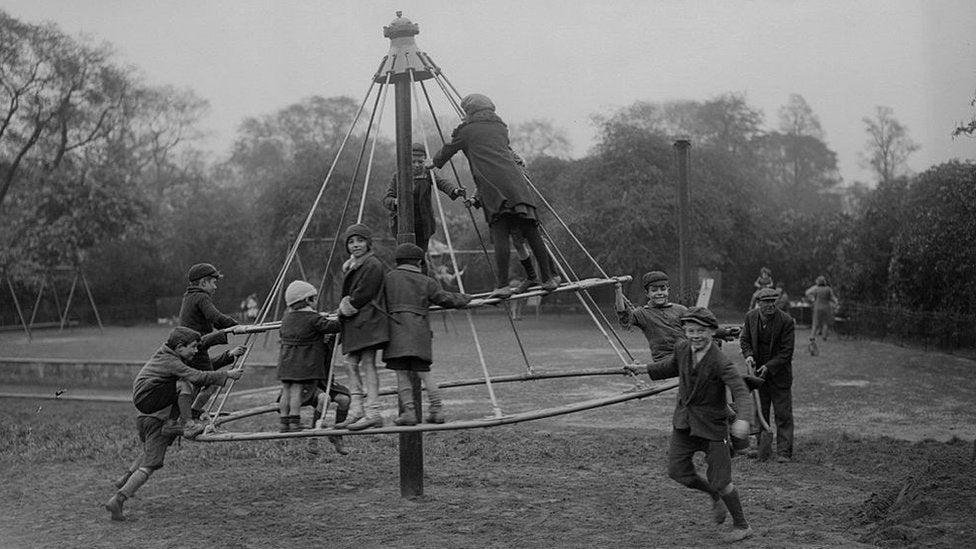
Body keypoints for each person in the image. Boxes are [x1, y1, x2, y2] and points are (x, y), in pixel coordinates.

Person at [628, 307, 755, 543]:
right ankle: (712, 494)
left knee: (722, 481)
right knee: (678, 472)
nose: (695, 335)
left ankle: (742, 525)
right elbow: (669, 366)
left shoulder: (720, 362)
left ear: (712, 332)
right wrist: (643, 369)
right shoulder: (682, 347)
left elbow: (741, 391)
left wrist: (743, 419)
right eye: (690, 331)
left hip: (712, 427)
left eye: (700, 331)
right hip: (685, 423)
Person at [106, 327, 244, 521]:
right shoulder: (172, 363)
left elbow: (202, 370)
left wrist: (228, 356)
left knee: (150, 450)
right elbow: (198, 375)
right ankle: (119, 499)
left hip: (147, 415)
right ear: (180, 347)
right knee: (151, 464)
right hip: (156, 417)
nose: (196, 351)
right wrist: (227, 375)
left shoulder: (170, 357)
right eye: (194, 347)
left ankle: (126, 478)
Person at [430, 93, 559, 298]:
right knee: (531, 232)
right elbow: (497, 161)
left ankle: (502, 285)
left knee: (500, 235)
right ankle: (548, 278)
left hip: (494, 192)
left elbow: (450, 149)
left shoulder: (467, 131)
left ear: (469, 111)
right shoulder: (501, 128)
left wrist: (434, 163)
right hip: (518, 188)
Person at [382, 243, 475, 425]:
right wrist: (465, 298)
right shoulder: (426, 281)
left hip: (395, 332)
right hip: (419, 334)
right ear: (418, 262)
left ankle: (409, 412)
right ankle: (437, 409)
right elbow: (444, 299)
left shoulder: (388, 279)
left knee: (401, 374)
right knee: (424, 373)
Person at [615, 271, 738, 370]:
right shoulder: (643, 313)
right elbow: (624, 316)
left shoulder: (680, 309)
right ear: (647, 293)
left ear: (668, 290)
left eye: (662, 289)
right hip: (665, 361)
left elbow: (699, 326)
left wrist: (725, 332)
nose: (659, 293)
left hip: (687, 355)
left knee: (716, 352)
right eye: (654, 290)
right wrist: (618, 290)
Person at [336, 223, 390, 431]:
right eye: (351, 242)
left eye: (360, 241)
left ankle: (373, 411)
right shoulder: (354, 265)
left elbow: (364, 294)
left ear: (368, 243)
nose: (356, 245)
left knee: (368, 364)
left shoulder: (372, 265)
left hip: (368, 319)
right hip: (358, 322)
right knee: (349, 364)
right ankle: (357, 409)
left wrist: (345, 306)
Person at [276, 280, 342, 433]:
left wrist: (319, 316)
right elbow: (332, 327)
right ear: (306, 300)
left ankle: (283, 422)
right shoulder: (312, 318)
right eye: (313, 298)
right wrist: (341, 316)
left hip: (285, 361)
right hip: (302, 363)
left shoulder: (286, 318)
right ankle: (294, 422)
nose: (315, 301)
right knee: (297, 390)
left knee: (286, 390)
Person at [740, 288, 796, 463]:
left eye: (773, 301)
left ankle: (784, 452)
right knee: (760, 412)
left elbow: (787, 352)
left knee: (783, 414)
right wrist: (748, 355)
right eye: (766, 301)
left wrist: (769, 366)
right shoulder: (751, 317)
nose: (771, 304)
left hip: (779, 375)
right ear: (759, 303)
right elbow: (745, 340)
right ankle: (761, 447)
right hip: (758, 376)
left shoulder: (786, 321)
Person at [178, 262, 239, 420]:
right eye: (213, 282)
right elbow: (215, 317)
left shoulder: (189, 297)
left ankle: (189, 412)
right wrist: (237, 326)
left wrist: (229, 352)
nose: (215, 287)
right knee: (212, 381)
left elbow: (215, 321)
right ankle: (193, 412)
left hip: (188, 347)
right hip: (197, 346)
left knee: (199, 379)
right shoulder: (201, 297)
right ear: (203, 282)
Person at [383, 142, 465, 254]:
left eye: (420, 162)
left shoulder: (427, 174)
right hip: (402, 225)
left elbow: (442, 183)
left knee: (421, 255)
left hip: (423, 223)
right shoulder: (398, 176)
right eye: (413, 162)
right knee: (405, 254)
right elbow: (387, 199)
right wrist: (396, 202)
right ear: (407, 162)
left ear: (425, 161)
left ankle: (422, 269)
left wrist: (454, 190)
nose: (417, 165)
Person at [805, 275, 839, 342]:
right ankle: (824, 337)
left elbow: (807, 292)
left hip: (817, 307)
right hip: (826, 307)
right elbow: (833, 297)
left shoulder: (816, 288)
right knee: (825, 323)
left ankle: (812, 336)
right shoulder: (828, 289)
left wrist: (812, 299)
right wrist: (836, 303)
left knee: (815, 323)